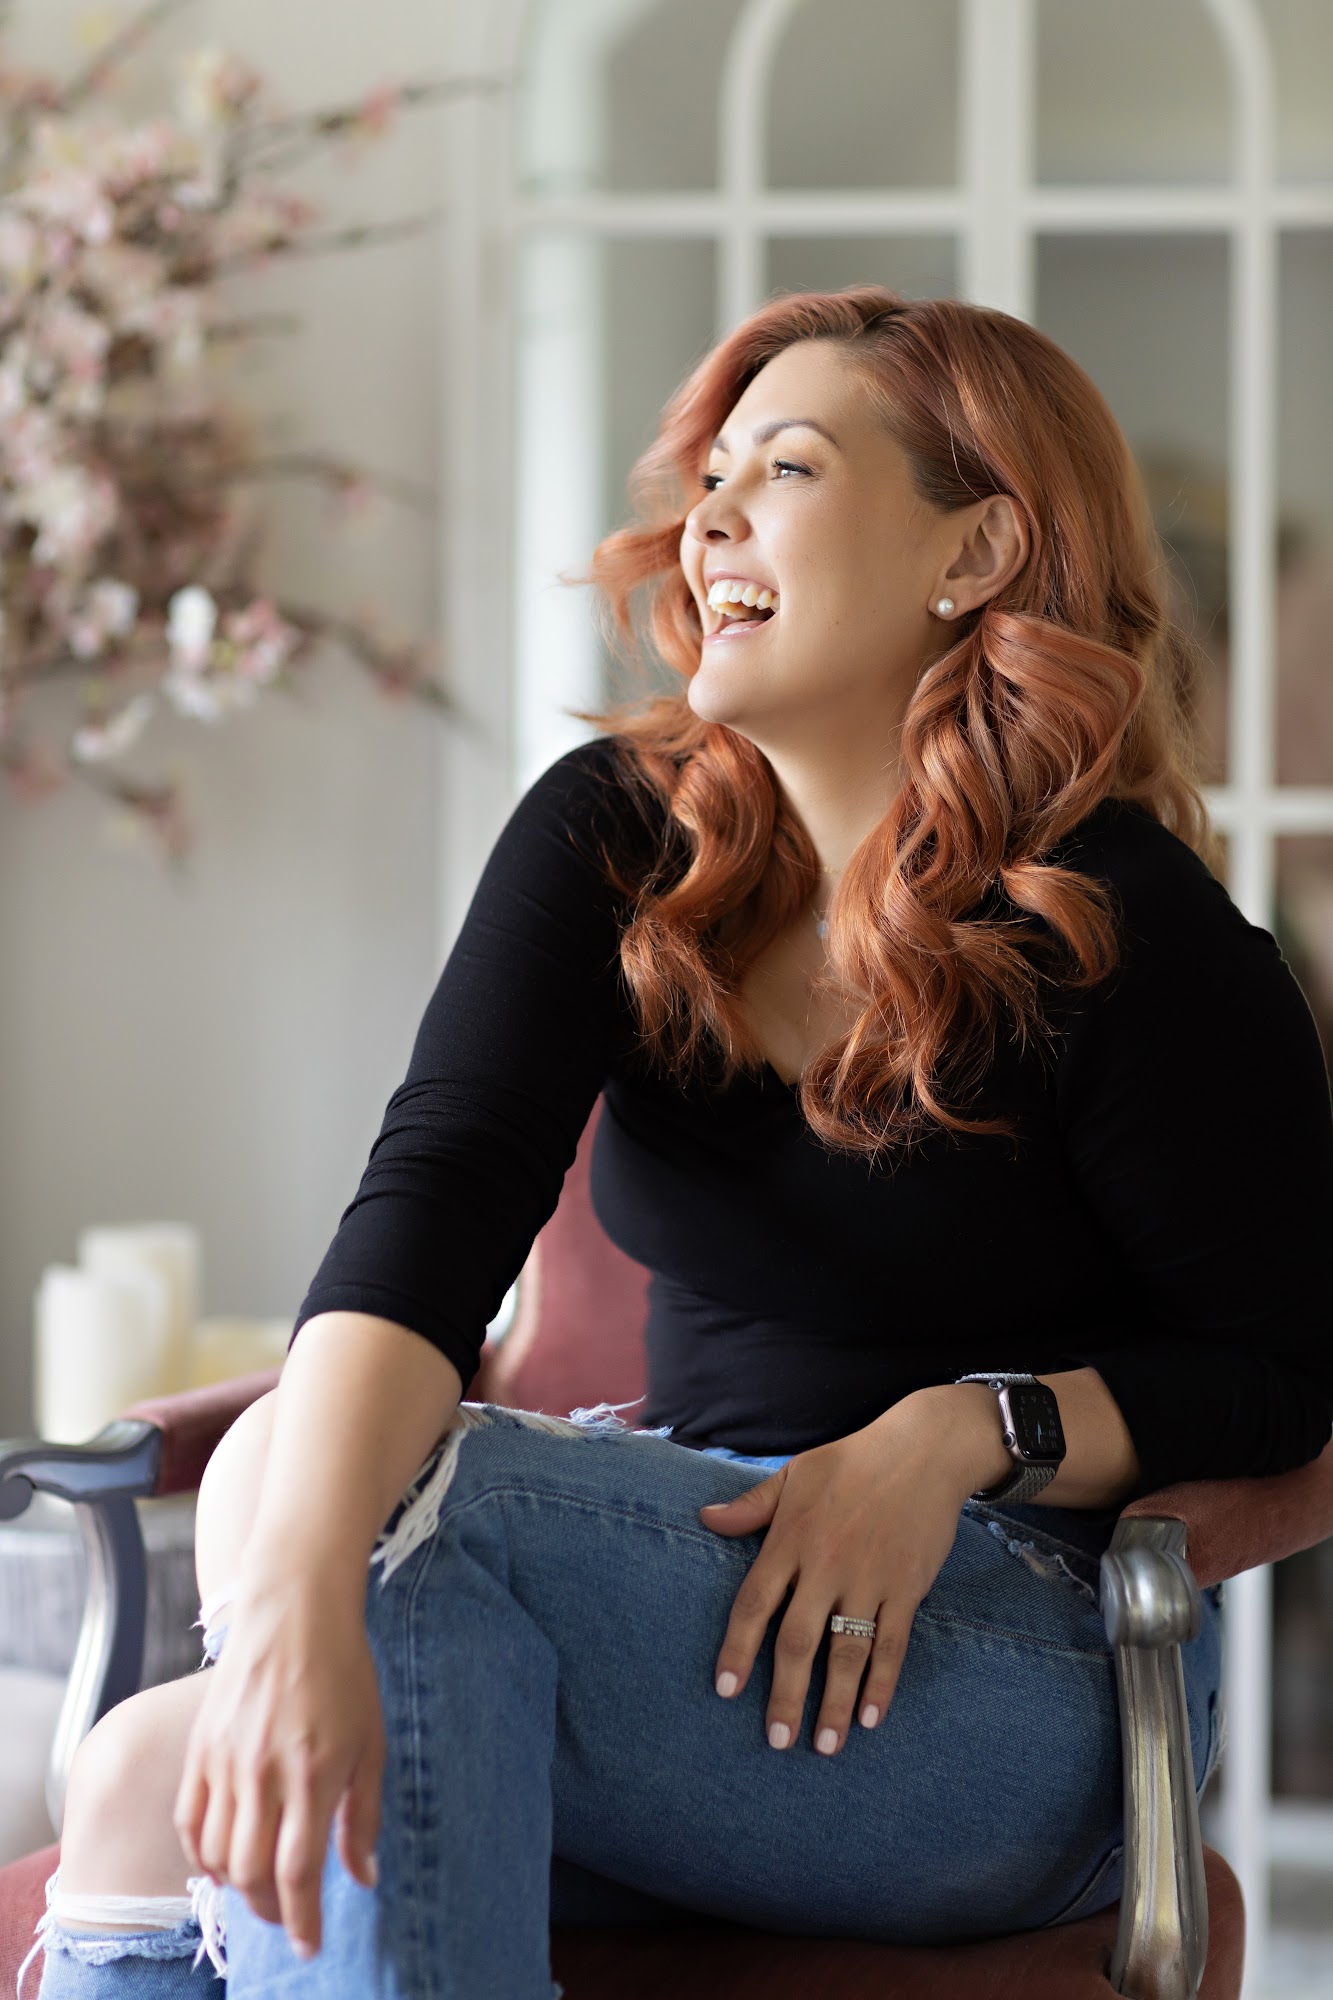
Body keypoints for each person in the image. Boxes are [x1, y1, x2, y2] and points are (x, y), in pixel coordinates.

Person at [25, 287, 1333, 2000]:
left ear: (974, 551)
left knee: (382, 1512)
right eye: (707, 477)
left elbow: (1280, 1378)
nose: (707, 519)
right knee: (157, 1768)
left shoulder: (1125, 930)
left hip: (1006, 1667)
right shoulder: (615, 840)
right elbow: (432, 1207)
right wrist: (283, 1616)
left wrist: (959, 1434)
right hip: (649, 1605)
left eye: (782, 468)